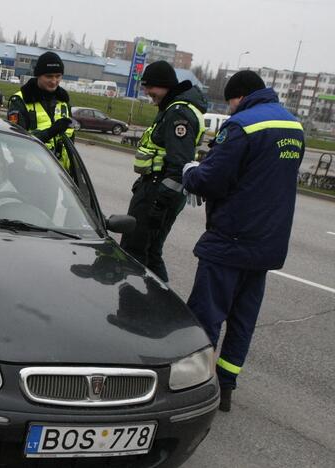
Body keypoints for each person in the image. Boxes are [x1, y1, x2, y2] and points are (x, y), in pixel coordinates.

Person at [181, 71, 304, 412]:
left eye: (232, 102)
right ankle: (227, 385)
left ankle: (195, 385)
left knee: (207, 315)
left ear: (239, 97)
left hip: (231, 240)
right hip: (267, 244)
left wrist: (191, 171)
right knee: (243, 319)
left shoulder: (241, 125)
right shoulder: (294, 126)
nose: (232, 109)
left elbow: (212, 179)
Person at [119, 60, 208, 282]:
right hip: (155, 188)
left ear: (165, 84)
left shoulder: (178, 113)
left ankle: (135, 307)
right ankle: (158, 307)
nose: (148, 93)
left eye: (151, 87)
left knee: (136, 251)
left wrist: (159, 204)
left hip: (159, 192)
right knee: (148, 252)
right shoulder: (172, 108)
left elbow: (179, 166)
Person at [7, 52, 75, 171]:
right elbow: (16, 141)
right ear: (38, 75)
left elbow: (71, 140)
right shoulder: (20, 101)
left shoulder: (63, 102)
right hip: (29, 173)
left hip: (60, 175)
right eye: (49, 76)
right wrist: (51, 132)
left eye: (58, 76)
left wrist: (73, 170)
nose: (54, 81)